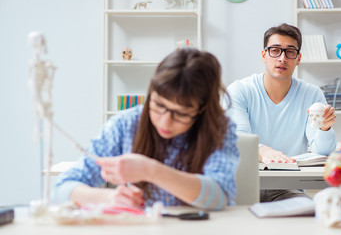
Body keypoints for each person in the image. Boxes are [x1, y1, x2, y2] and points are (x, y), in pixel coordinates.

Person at [53, 48, 240, 210]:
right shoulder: (126, 125)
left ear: (201, 111)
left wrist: (151, 170)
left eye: (181, 113)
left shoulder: (219, 128)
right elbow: (62, 189)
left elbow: (220, 195)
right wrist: (109, 198)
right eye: (158, 105)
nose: (165, 122)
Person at [225, 23, 336, 202]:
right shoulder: (239, 90)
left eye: (290, 52)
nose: (282, 58)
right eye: (275, 50)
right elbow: (239, 138)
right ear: (264, 55)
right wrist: (263, 150)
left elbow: (321, 151)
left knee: (309, 213)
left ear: (298, 59)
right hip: (244, 185)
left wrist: (325, 129)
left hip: (287, 187)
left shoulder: (312, 94)